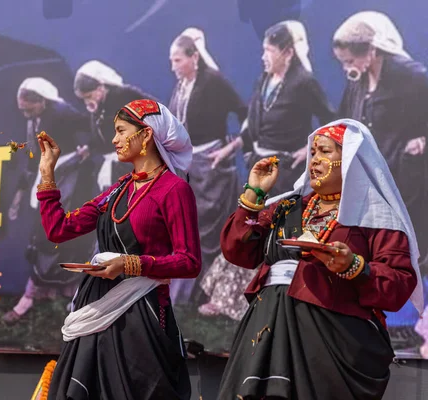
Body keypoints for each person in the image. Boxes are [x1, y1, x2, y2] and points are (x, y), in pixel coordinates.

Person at [216, 120, 421, 399]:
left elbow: (398, 284)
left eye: (325, 152)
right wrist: (255, 192)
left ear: (348, 159)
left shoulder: (375, 216)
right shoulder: (288, 206)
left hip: (330, 341)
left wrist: (354, 267)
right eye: (312, 153)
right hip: (266, 327)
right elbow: (237, 249)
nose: (314, 161)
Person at [36, 99, 201, 399]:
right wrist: (48, 172)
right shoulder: (118, 190)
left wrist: (130, 264)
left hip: (143, 316)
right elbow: (59, 229)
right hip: (99, 311)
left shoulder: (174, 190)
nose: (114, 139)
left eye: (121, 131)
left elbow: (189, 261)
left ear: (147, 135)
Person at [333, 11, 428, 352]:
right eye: (343, 61)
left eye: (351, 58)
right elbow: (344, 120)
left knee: (405, 250)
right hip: (372, 179)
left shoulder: (411, 76)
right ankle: (380, 319)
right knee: (375, 248)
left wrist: (423, 140)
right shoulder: (357, 80)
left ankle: (405, 322)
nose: (347, 66)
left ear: (372, 50)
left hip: (407, 181)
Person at [3, 77, 95, 323]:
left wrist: (88, 147)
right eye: (21, 109)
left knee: (64, 240)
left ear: (42, 102)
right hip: (48, 180)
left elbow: (95, 126)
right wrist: (20, 193)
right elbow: (34, 158)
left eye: (28, 108)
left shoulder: (62, 113)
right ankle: (34, 295)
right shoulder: (33, 120)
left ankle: (74, 299)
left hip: (71, 183)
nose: (24, 113)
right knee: (42, 239)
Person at [168, 27, 247, 305]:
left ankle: (212, 294)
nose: (173, 66)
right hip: (188, 166)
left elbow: (247, 116)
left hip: (212, 169)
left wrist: (230, 147)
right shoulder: (182, 84)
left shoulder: (214, 81)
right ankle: (187, 294)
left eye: (178, 60)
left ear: (194, 58)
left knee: (209, 230)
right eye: (172, 61)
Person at [213, 21, 335, 196]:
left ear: (288, 53)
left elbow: (330, 119)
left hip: (288, 174)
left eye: (269, 51)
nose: (263, 57)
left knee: (287, 221)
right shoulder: (263, 80)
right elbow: (254, 121)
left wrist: (311, 149)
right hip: (260, 170)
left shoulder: (304, 83)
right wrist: (231, 148)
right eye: (264, 50)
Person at [74, 60, 156, 189]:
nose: (87, 101)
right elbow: (103, 137)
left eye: (89, 96)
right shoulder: (98, 107)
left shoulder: (124, 94)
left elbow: (157, 110)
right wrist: (89, 147)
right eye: (83, 98)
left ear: (101, 88)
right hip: (116, 167)